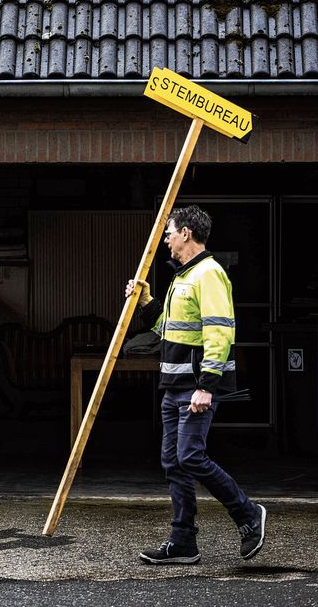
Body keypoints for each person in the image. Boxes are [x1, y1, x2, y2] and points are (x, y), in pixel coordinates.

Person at [124, 204, 266, 565]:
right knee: (173, 462)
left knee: (190, 455)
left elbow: (220, 332)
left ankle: (248, 515)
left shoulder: (209, 274)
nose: (166, 239)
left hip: (194, 388)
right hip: (173, 387)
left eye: (169, 232)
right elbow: (168, 333)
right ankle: (183, 542)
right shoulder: (182, 277)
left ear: (186, 233)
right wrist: (144, 301)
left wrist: (207, 386)